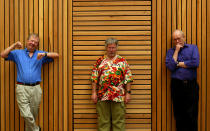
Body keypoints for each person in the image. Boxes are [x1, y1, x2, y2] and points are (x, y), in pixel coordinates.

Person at [0, 33, 59, 131]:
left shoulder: (40, 53)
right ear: (27, 41)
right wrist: (14, 45)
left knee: (33, 115)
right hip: (21, 88)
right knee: (26, 114)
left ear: (37, 45)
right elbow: (3, 54)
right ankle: (36, 129)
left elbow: (56, 55)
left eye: (36, 42)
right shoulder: (18, 53)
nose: (33, 43)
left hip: (36, 89)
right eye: (31, 41)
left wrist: (45, 54)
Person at [91, 38, 133, 131]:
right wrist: (93, 92)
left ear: (116, 48)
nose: (111, 50)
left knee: (119, 122)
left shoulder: (122, 61)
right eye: (109, 47)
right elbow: (94, 78)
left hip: (118, 96)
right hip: (102, 95)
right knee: (103, 122)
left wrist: (128, 93)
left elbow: (128, 78)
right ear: (106, 48)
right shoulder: (100, 61)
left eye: (113, 47)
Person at [165, 30, 199, 131]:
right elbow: (171, 67)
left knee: (192, 114)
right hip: (177, 86)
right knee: (179, 114)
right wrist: (176, 51)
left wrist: (178, 64)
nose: (177, 41)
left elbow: (195, 63)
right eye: (175, 39)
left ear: (184, 37)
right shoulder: (170, 51)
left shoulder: (193, 48)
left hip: (191, 85)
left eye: (179, 38)